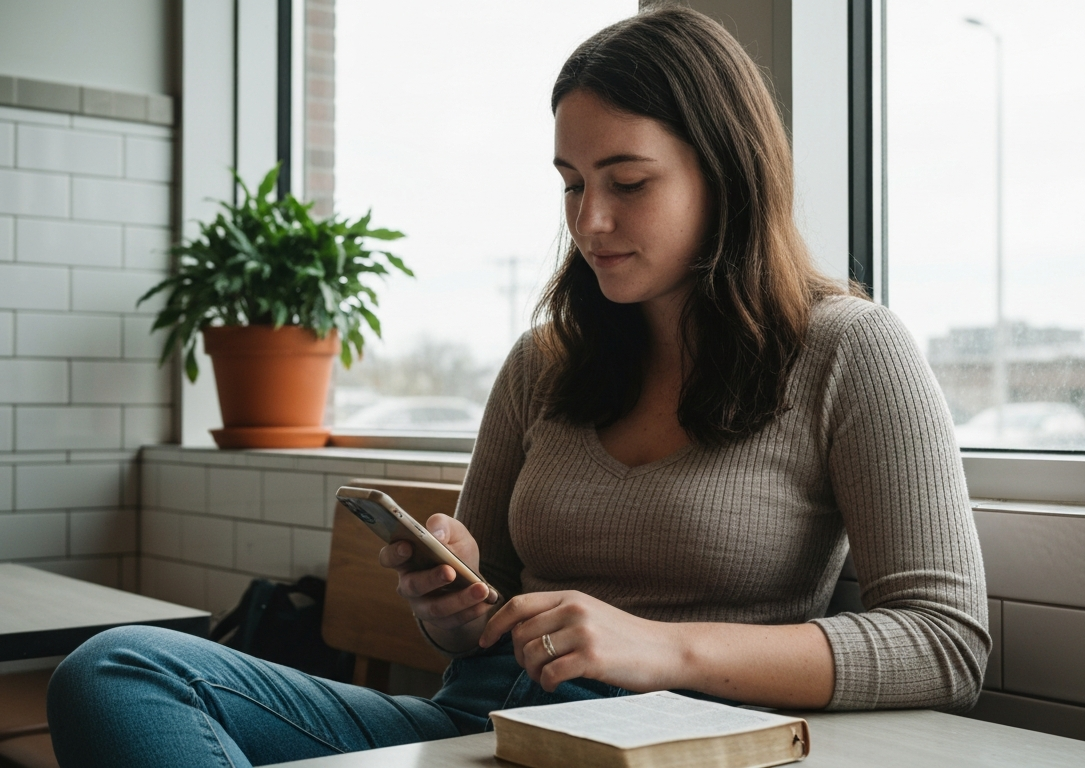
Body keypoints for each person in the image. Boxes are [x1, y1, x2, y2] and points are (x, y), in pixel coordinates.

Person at [46, 7, 988, 767]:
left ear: (728, 175)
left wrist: (661, 647)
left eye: (628, 181)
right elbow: (474, 632)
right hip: (479, 726)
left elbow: (946, 643)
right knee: (117, 668)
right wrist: (448, 604)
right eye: (571, 183)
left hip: (653, 746)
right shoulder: (548, 361)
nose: (591, 219)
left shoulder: (849, 352)